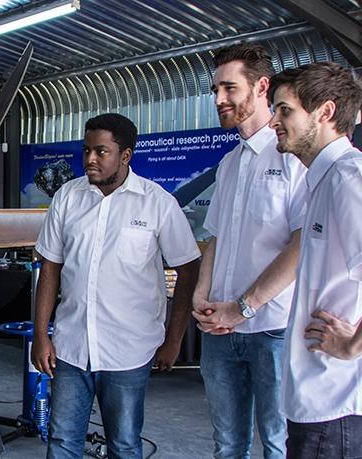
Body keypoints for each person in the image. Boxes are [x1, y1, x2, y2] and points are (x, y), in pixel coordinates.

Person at [32, 113, 200, 458]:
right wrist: (41, 335)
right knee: (63, 440)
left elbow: (188, 269)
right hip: (71, 347)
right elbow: (50, 267)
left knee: (124, 444)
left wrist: (174, 339)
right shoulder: (67, 197)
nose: (90, 160)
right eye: (86, 150)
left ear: (125, 155)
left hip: (128, 351)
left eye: (101, 152)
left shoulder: (157, 203)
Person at [191, 43, 308, 459]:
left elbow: (302, 244)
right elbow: (215, 237)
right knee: (227, 447)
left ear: (261, 87)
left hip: (272, 330)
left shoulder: (294, 159)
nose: (219, 99)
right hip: (220, 331)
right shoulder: (230, 164)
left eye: (229, 88)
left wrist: (242, 308)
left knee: (278, 445)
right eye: (214, 90)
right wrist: (201, 296)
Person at [268, 62, 362, 458]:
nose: (273, 120)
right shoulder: (322, 180)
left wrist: (354, 345)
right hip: (317, 399)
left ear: (324, 112)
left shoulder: (347, 176)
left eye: (285, 110)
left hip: (335, 401)